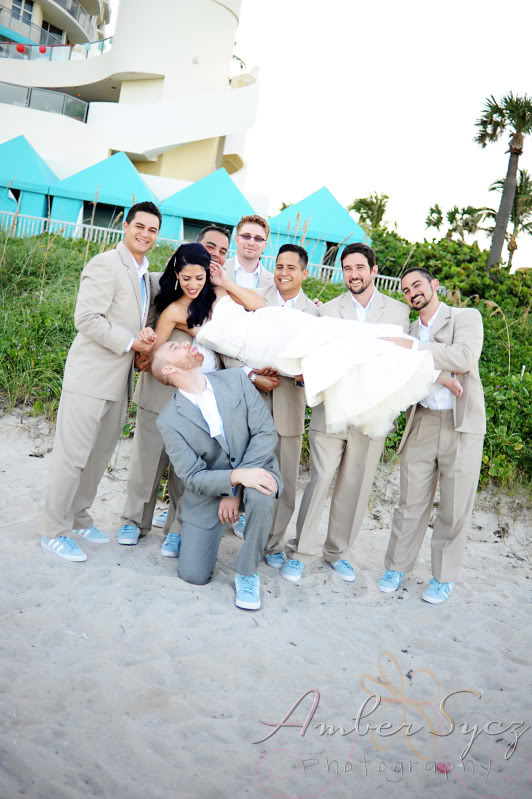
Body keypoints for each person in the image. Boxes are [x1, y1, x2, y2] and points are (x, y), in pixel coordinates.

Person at [280, 242, 411, 584]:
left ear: (373, 269)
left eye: (359, 268)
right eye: (347, 269)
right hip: (331, 409)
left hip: (372, 414)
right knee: (320, 480)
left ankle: (337, 553)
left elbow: (398, 363)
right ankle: (299, 551)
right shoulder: (328, 311)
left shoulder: (398, 312)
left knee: (355, 486)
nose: (353, 275)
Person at [40, 201, 161, 562]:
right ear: (125, 226)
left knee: (98, 456)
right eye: (139, 226)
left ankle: (78, 518)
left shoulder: (144, 273)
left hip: (120, 380)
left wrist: (143, 345)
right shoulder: (106, 263)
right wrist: (130, 342)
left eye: (152, 230)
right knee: (72, 456)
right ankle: (53, 530)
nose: (145, 234)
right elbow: (87, 318)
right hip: (90, 377)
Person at [377, 267, 486, 604]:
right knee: (409, 503)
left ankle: (443, 578)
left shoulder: (464, 317)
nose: (413, 293)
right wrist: (432, 367)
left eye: (418, 285)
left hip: (461, 424)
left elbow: (465, 358)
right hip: (421, 420)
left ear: (434, 285)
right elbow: (395, 369)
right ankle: (397, 566)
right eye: (406, 290)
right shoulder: (407, 330)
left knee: (454, 507)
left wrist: (412, 350)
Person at [119, 228, 231, 552]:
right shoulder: (168, 305)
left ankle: (176, 529)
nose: (193, 284)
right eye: (187, 278)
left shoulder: (218, 300)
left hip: (197, 399)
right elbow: (149, 356)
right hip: (158, 391)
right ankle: (133, 521)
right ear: (178, 274)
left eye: (199, 277)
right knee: (147, 459)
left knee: (186, 470)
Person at [153, 341, 282, 610]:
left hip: (256, 467)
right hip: (210, 491)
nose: (187, 344)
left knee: (262, 493)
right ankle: (205, 530)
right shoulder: (168, 421)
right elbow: (192, 477)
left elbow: (265, 432)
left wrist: (235, 491)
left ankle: (247, 573)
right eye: (176, 347)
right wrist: (232, 483)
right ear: (168, 368)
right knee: (193, 575)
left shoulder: (236, 379)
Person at [223, 214, 274, 288]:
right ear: (236, 240)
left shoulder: (273, 283)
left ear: (265, 246)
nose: (251, 243)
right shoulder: (217, 269)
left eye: (258, 238)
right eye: (246, 236)